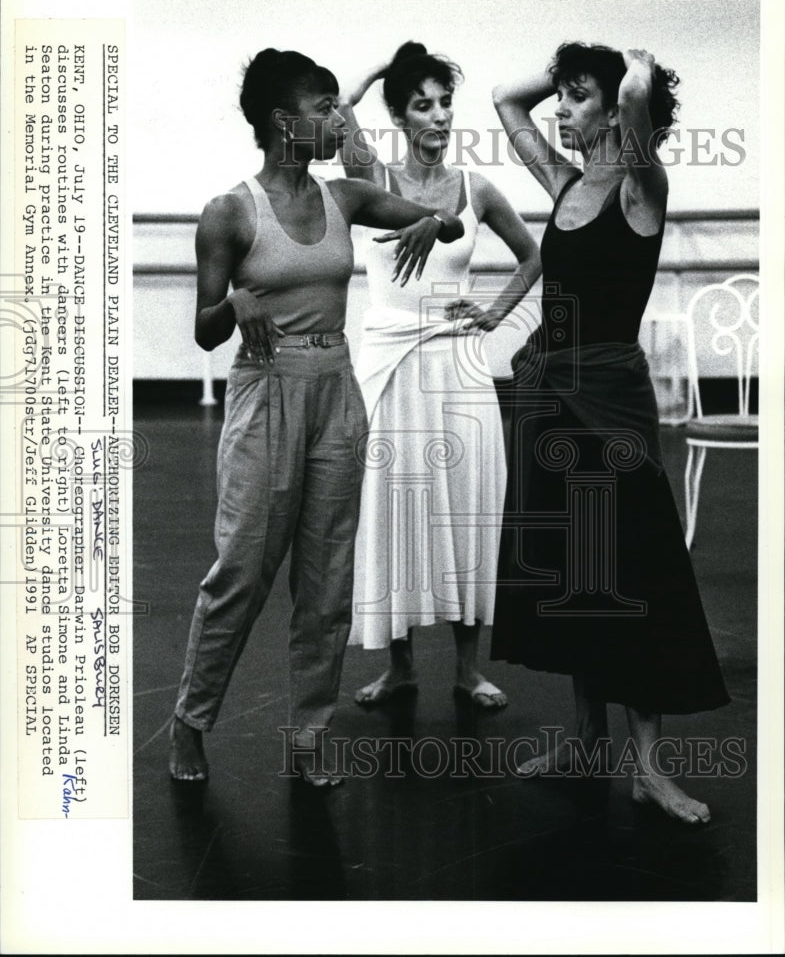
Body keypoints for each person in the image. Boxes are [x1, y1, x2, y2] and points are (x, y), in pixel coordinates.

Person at [169, 48, 465, 786]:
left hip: (337, 391)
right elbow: (204, 329)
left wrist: (435, 224)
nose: (337, 119)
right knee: (240, 573)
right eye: (323, 107)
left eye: (338, 105)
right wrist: (231, 305)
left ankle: (308, 736)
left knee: (327, 582)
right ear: (282, 122)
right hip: (265, 394)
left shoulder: (348, 197)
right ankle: (190, 721)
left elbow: (448, 221)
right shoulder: (229, 212)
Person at [490, 43, 730, 823]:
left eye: (575, 99)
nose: (560, 110)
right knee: (573, 577)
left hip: (610, 403)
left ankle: (648, 770)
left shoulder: (641, 187)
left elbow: (633, 106)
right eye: (562, 97)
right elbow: (503, 100)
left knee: (630, 577)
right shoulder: (562, 185)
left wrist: (627, 68)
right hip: (549, 397)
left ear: (614, 111)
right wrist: (570, 59)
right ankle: (584, 739)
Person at [339, 42, 541, 708]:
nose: (438, 116)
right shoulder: (374, 182)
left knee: (465, 507)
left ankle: (466, 668)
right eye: (421, 105)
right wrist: (376, 74)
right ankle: (398, 667)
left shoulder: (475, 188)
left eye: (444, 102)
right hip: (392, 363)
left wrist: (492, 315)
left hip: (457, 363)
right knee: (396, 506)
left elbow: (536, 256)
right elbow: (339, 116)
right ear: (399, 114)